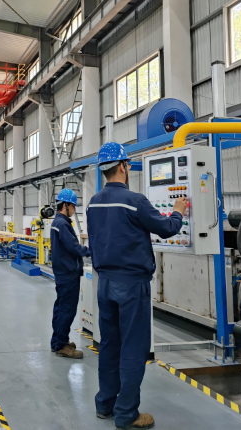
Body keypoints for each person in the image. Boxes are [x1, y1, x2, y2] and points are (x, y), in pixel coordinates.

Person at [87, 142, 187, 430]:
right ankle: (127, 414)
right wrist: (178, 210)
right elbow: (167, 229)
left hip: (104, 284)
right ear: (123, 166)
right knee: (133, 348)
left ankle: (105, 405)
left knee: (109, 345)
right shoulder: (135, 201)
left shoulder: (93, 202)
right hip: (131, 286)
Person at [50, 188, 90, 359]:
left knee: (60, 308)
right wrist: (91, 252)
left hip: (63, 272)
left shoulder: (58, 222)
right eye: (73, 206)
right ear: (65, 205)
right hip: (68, 273)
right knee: (67, 309)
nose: (74, 209)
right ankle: (61, 345)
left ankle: (57, 341)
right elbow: (73, 247)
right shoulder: (62, 224)